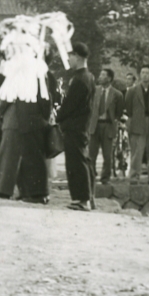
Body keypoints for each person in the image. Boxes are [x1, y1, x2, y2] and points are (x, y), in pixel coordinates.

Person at [0, 17, 56, 205]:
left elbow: (44, 99)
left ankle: (34, 192)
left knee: (28, 158)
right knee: (28, 158)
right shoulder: (32, 71)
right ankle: (29, 191)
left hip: (28, 118)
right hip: (28, 118)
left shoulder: (35, 71)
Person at [56, 43, 95, 211]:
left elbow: (69, 105)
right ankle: (88, 198)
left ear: (77, 57)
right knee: (83, 161)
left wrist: (58, 116)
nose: (68, 60)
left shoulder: (79, 79)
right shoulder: (89, 77)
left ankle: (82, 198)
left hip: (74, 126)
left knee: (76, 163)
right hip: (82, 125)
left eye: (70, 57)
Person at [125, 65, 149, 184]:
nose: (145, 75)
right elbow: (128, 107)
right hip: (137, 121)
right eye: (142, 72)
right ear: (140, 75)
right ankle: (134, 176)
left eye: (147, 73)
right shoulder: (132, 91)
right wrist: (133, 119)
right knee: (137, 151)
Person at [89, 68, 125, 182]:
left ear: (109, 78)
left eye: (103, 75)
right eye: (100, 74)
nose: (100, 77)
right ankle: (90, 175)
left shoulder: (117, 94)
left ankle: (105, 177)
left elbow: (119, 112)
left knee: (107, 154)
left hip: (108, 125)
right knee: (91, 153)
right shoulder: (94, 91)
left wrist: (114, 121)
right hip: (95, 124)